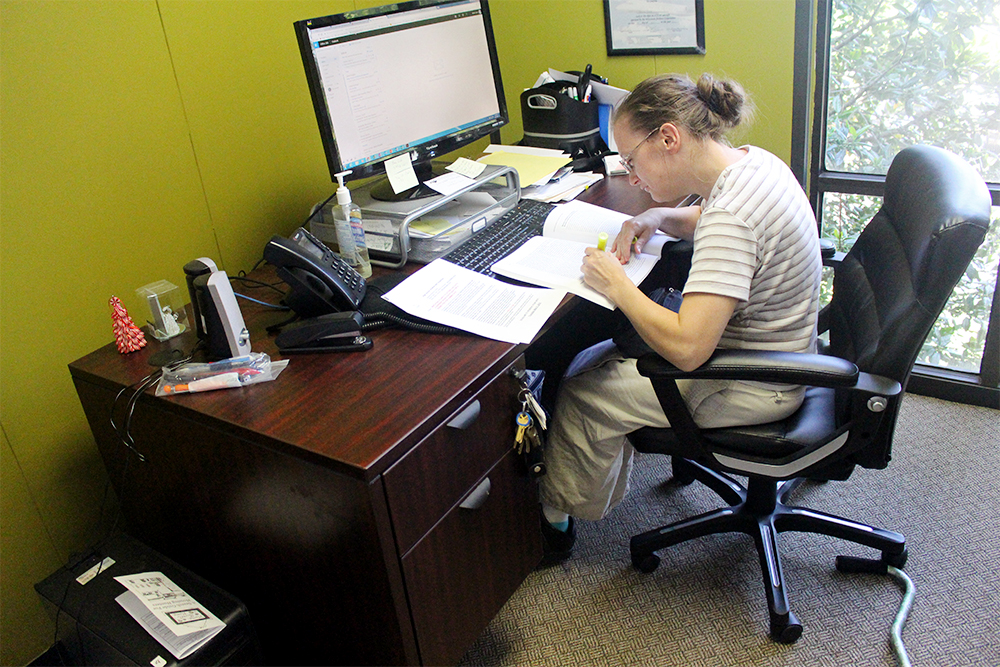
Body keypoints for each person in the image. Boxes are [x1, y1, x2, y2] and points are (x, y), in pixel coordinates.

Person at [536, 73, 822, 562]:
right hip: (787, 347)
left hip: (756, 381)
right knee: (613, 345)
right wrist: (656, 218)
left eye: (631, 160)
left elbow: (689, 349)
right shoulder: (754, 164)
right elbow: (707, 219)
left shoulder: (733, 217)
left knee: (582, 392)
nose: (630, 177)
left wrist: (617, 285)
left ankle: (555, 526)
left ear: (668, 138)